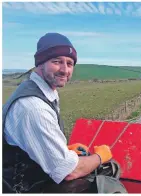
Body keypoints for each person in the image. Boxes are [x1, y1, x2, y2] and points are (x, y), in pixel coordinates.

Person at [2, 33, 113, 193]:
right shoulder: (34, 108)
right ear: (40, 63)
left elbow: (31, 142)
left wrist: (64, 149)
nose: (65, 70)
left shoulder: (40, 90)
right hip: (23, 187)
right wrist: (100, 156)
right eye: (57, 62)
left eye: (70, 63)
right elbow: (69, 172)